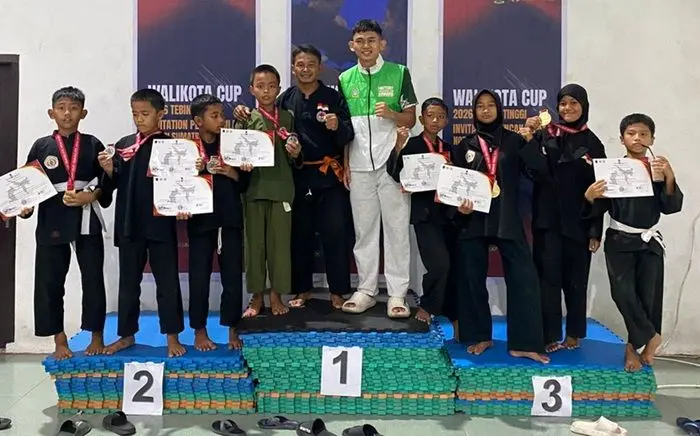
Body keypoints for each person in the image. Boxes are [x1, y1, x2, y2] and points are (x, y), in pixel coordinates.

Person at [234, 45, 355, 310]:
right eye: (300, 64)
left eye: (311, 64)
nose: (305, 69)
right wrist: (241, 111)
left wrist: (338, 125)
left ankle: (338, 291)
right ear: (293, 69)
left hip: (328, 174)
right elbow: (264, 120)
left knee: (335, 233)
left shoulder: (333, 97)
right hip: (297, 175)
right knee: (299, 235)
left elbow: (348, 135)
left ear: (319, 67)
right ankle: (302, 289)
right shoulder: (286, 99)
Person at [451, 89, 549, 363]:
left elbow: (540, 171)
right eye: (480, 106)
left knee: (525, 279)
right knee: (471, 279)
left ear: (499, 109)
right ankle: (479, 335)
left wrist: (530, 142)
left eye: (491, 105)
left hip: (507, 219)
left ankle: (524, 343)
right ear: (473, 112)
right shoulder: (465, 145)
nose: (485, 110)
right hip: (474, 220)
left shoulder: (515, 141)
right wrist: (459, 207)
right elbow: (454, 187)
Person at [584, 113, 682, 372]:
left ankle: (633, 348)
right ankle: (651, 336)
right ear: (622, 139)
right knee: (623, 293)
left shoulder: (656, 169)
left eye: (643, 134)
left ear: (652, 139)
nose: (637, 138)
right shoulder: (611, 170)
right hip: (619, 240)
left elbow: (670, 207)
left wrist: (669, 177)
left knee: (648, 297)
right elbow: (600, 207)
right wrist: (591, 201)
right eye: (631, 133)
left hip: (649, 241)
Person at [19, 86, 111, 360]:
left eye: (73, 108)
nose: (67, 113)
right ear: (52, 113)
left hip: (86, 215)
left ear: (83, 113)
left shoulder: (93, 144)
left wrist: (90, 195)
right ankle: (59, 339)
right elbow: (27, 183)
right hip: (52, 215)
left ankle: (96, 335)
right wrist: (25, 208)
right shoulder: (41, 146)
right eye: (61, 108)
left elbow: (106, 182)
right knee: (50, 280)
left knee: (93, 278)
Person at [98, 89, 189, 358]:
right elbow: (110, 186)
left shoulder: (172, 146)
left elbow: (183, 185)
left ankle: (172, 336)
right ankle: (126, 335)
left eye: (145, 113)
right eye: (135, 114)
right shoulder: (123, 145)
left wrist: (184, 205)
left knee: (168, 283)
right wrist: (109, 170)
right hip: (130, 224)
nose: (139, 119)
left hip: (161, 226)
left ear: (161, 114)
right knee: (128, 284)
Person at [338, 19, 418, 318]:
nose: (366, 46)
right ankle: (366, 290)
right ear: (352, 45)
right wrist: (346, 163)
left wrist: (393, 114)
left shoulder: (399, 73)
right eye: (360, 41)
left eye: (371, 40)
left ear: (381, 44)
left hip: (392, 165)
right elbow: (345, 129)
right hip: (359, 166)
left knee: (397, 230)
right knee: (364, 232)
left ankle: (397, 294)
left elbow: (411, 118)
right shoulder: (345, 79)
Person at [520, 84, 607, 353]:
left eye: (573, 103)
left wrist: (595, 230)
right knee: (547, 281)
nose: (567, 108)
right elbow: (533, 171)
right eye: (563, 103)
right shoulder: (546, 135)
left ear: (584, 106)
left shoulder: (593, 143)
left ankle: (574, 333)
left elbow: (601, 191)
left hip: (578, 223)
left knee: (576, 281)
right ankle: (549, 334)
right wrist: (529, 140)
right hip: (547, 223)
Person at [237, 64, 302, 317]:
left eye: (272, 86)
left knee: (279, 247)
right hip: (254, 189)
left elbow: (295, 157)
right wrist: (242, 162)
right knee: (254, 247)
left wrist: (295, 153)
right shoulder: (245, 118)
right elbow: (234, 152)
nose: (266, 91)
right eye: (261, 86)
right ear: (251, 89)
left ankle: (277, 295)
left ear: (279, 89)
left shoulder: (287, 117)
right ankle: (256, 297)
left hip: (281, 189)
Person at [187, 94, 251, 351]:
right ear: (198, 121)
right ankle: (199, 331)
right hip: (200, 220)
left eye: (222, 115)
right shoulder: (187, 149)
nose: (221, 120)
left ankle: (233, 328)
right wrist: (192, 170)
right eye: (214, 116)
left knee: (232, 277)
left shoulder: (232, 145)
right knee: (199, 277)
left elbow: (245, 183)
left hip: (229, 217)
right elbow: (175, 184)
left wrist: (231, 171)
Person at [387, 97, 458, 323]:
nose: (435, 121)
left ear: (446, 121)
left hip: (449, 215)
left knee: (452, 264)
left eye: (440, 117)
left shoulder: (449, 149)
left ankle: (449, 309)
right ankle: (427, 305)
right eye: (430, 116)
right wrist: (399, 145)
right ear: (421, 118)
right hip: (424, 216)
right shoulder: (413, 145)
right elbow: (395, 173)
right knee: (439, 264)